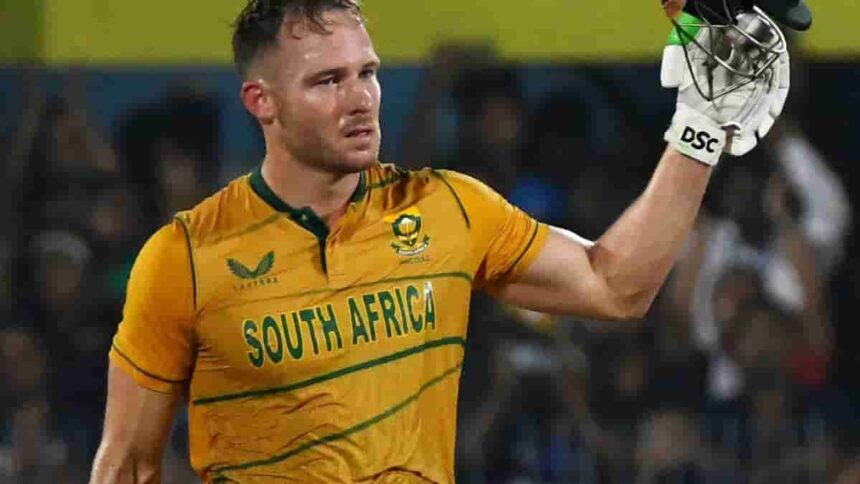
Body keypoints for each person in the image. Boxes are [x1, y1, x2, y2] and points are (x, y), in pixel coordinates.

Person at [89, 0, 790, 482]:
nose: (360, 99)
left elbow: (616, 286)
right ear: (261, 102)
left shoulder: (447, 208)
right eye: (328, 81)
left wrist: (700, 129)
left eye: (367, 73)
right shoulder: (185, 257)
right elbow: (126, 466)